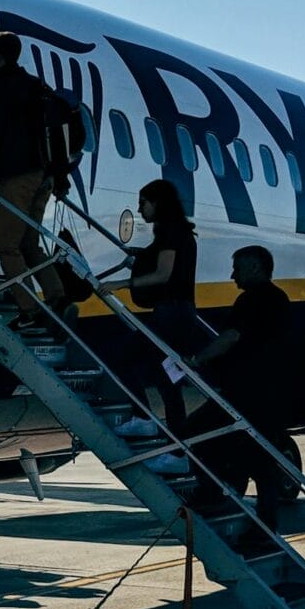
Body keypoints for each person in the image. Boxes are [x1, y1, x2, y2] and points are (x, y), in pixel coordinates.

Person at [188, 245, 295, 533]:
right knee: (261, 460)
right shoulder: (280, 299)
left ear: (255, 268)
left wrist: (197, 359)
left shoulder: (252, 300)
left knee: (194, 432)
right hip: (272, 390)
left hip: (247, 391)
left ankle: (215, 490)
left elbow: (232, 336)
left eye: (237, 268)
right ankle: (263, 522)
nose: (232, 275)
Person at [106, 180, 207, 469]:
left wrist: (121, 283)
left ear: (157, 203)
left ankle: (145, 421)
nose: (140, 209)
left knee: (121, 358)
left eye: (143, 202)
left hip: (170, 313)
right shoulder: (177, 232)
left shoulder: (169, 231)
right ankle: (176, 452)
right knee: (165, 380)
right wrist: (143, 254)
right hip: (181, 313)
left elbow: (163, 274)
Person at [0, 31, 69, 332]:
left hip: (16, 175)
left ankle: (29, 309)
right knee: (29, 242)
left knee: (5, 246)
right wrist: (60, 175)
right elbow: (56, 131)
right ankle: (57, 297)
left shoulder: (0, 89)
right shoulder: (36, 86)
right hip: (43, 175)